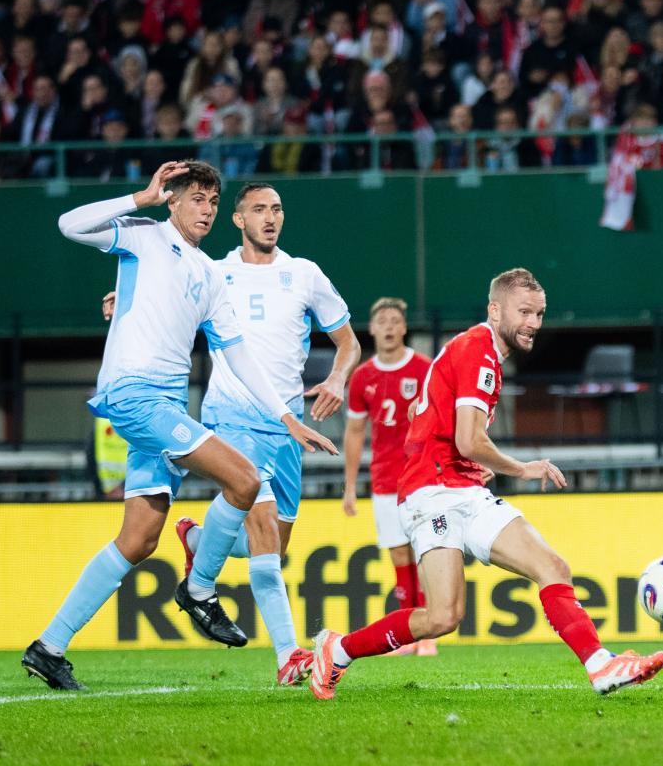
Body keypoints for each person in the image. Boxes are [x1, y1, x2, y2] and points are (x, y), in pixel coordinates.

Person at [23, 161, 337, 691]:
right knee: (244, 479)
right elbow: (69, 225)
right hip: (135, 396)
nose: (206, 210)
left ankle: (48, 647)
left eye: (212, 201)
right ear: (173, 201)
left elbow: (237, 353)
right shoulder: (144, 237)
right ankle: (199, 590)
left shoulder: (209, 275)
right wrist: (138, 199)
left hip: (168, 403)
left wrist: (286, 417)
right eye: (196, 198)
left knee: (140, 536)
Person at [308, 269, 663, 700]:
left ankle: (600, 666)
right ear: (495, 310)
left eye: (539, 313)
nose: (534, 322)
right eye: (524, 312)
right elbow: (469, 439)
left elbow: (454, 434)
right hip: (432, 490)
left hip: (464, 487)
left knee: (552, 567)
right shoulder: (478, 351)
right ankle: (339, 649)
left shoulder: (482, 352)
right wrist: (523, 468)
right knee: (442, 616)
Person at [168, 182, 359, 686]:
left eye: (276, 209)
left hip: (287, 427)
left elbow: (347, 341)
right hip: (232, 419)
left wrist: (338, 378)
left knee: (270, 547)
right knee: (265, 533)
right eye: (259, 210)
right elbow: (163, 298)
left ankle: (200, 538)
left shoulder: (305, 274)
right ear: (238, 220)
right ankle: (288, 656)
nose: (270, 218)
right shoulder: (214, 271)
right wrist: (122, 297)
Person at [342, 297, 436, 655]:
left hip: (423, 477)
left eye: (395, 320)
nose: (389, 326)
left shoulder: (425, 368)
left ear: (405, 327)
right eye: (382, 320)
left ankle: (428, 633)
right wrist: (350, 486)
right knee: (399, 555)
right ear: (372, 328)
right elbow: (354, 433)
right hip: (384, 479)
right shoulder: (363, 376)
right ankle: (407, 632)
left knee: (426, 550)